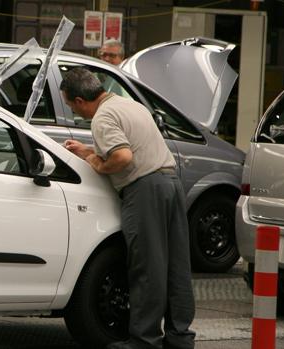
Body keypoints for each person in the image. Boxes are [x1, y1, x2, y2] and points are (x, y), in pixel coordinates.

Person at [61, 67, 195, 349]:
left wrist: (98, 164)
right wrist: (87, 151)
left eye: (70, 105)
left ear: (80, 101)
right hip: (170, 183)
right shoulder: (128, 105)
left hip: (144, 190)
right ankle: (180, 338)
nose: (74, 111)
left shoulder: (102, 117)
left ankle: (144, 340)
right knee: (176, 266)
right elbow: (131, 144)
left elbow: (122, 156)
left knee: (148, 267)